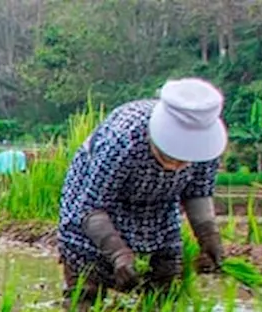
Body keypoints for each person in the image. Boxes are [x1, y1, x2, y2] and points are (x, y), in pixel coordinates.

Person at [57, 78, 228, 300]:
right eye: (171, 156)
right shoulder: (124, 138)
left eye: (185, 160)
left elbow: (197, 192)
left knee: (165, 280)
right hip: (99, 206)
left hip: (159, 206)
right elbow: (91, 208)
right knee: (86, 283)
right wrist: (118, 252)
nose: (177, 167)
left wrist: (209, 237)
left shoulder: (206, 148)